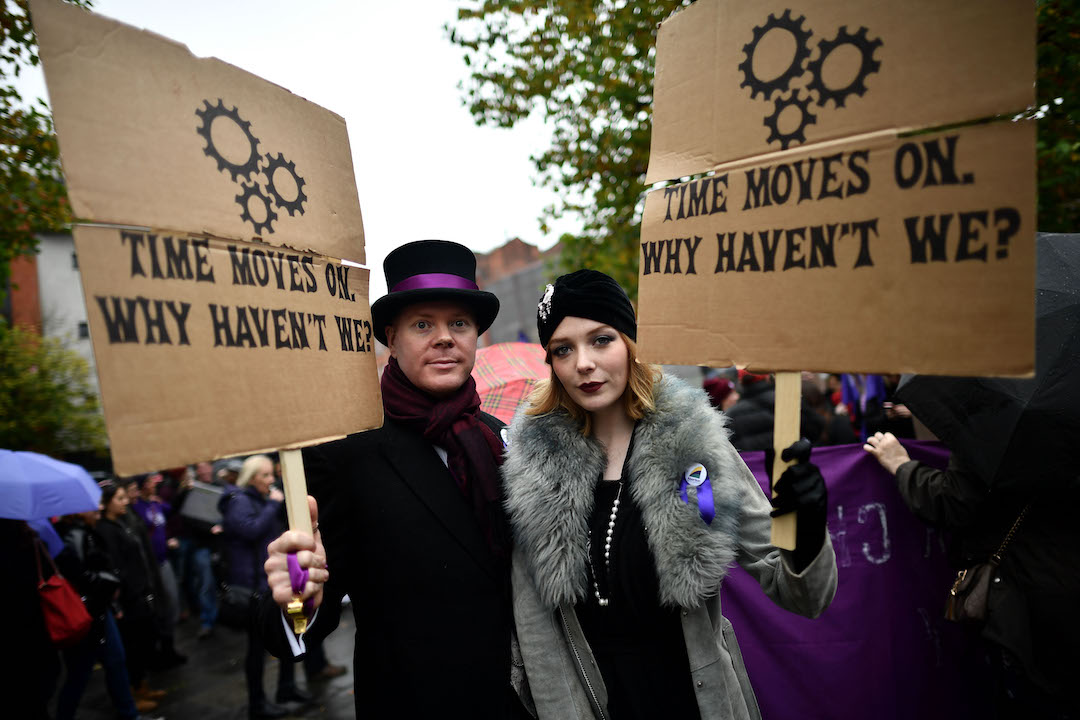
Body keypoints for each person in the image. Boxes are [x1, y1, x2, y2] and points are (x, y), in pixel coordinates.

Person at [503, 270, 838, 719]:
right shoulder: (534, 467)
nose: (582, 362)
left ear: (630, 343)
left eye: (601, 340)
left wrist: (806, 530)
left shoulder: (695, 443)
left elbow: (799, 593)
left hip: (696, 700)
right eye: (563, 349)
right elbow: (536, 629)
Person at [259, 240, 528, 718]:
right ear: (392, 338)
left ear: (476, 337)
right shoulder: (344, 452)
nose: (444, 338)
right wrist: (298, 595)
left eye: (459, 324)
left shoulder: (499, 437)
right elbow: (307, 611)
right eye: (423, 324)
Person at [864, 431, 1080, 718]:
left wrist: (901, 465)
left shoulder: (994, 425)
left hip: (1024, 603)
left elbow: (953, 502)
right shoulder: (1058, 423)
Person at [220, 454, 309, 719]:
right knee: (257, 649)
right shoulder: (240, 501)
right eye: (265, 475)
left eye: (272, 474)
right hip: (254, 588)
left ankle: (287, 688)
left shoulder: (262, 499)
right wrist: (272, 505)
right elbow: (250, 531)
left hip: (275, 582)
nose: (271, 480)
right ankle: (257, 704)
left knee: (291, 633)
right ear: (251, 478)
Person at [54, 510, 151, 720]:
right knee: (81, 672)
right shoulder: (72, 535)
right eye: (91, 509)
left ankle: (129, 713)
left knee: (114, 660)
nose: (97, 511)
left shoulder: (82, 532)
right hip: (85, 612)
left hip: (98, 608)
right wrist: (108, 583)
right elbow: (81, 575)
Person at [94, 480, 168, 707]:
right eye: (119, 498)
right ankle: (134, 694)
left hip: (139, 594)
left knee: (141, 643)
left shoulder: (122, 522)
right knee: (132, 646)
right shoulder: (105, 530)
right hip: (128, 599)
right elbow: (117, 568)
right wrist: (130, 595)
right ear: (106, 503)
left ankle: (142, 687)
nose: (125, 501)